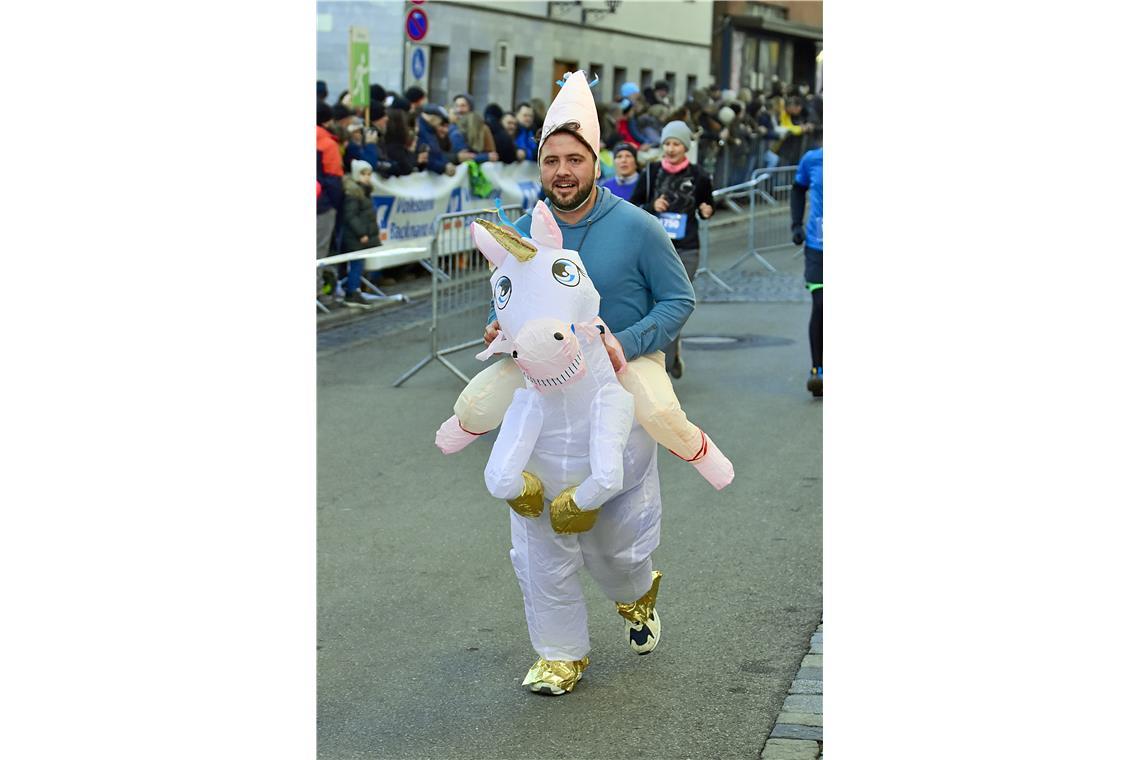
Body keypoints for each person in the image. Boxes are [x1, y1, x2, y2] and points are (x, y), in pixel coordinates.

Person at [437, 71, 733, 696]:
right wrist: (499, 325)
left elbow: (679, 299)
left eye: (575, 159)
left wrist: (630, 341)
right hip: (545, 380)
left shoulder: (637, 227)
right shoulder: (527, 229)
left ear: (595, 162)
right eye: (552, 160)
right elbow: (510, 298)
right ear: (539, 164)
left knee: (615, 540)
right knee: (539, 534)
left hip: (621, 371)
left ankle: (639, 587)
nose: (563, 170)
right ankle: (559, 654)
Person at [629, 121, 714, 378]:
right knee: (656, 303)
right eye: (667, 143)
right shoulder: (651, 172)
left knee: (673, 302)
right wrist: (653, 205)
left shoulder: (699, 175)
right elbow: (633, 206)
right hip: (654, 246)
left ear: (685, 146)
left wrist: (706, 210)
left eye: (676, 143)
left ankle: (663, 366)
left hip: (686, 247)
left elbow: (708, 203)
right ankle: (668, 355)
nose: (671, 148)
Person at [790, 145, 823, 396]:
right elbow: (798, 189)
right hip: (818, 245)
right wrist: (796, 224)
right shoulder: (812, 159)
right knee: (821, 304)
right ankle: (818, 369)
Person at [338, 160, 382, 308]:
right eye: (364, 174)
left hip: (360, 236)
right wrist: (362, 233)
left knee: (359, 264)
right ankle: (352, 292)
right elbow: (351, 216)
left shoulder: (364, 192)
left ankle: (353, 290)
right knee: (356, 264)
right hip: (355, 237)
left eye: (369, 174)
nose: (367, 177)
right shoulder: (353, 194)